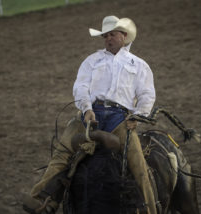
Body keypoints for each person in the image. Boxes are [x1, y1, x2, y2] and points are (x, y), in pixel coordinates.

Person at [24, 15, 157, 214]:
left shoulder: (139, 65)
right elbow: (81, 87)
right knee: (62, 153)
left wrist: (137, 116)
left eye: (112, 35)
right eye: (105, 36)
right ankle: (43, 199)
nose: (108, 39)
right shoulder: (91, 61)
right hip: (90, 114)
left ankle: (150, 210)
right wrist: (86, 109)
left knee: (137, 163)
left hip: (120, 118)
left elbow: (147, 94)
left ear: (124, 36)